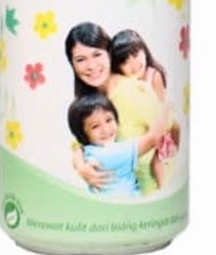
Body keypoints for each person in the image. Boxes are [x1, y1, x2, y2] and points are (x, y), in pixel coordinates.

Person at [65, 22, 180, 195]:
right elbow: (80, 141)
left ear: (109, 54)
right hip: (114, 197)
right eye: (81, 59)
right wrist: (81, 166)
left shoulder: (132, 92)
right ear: (72, 64)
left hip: (149, 194)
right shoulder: (89, 100)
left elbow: (173, 127)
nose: (91, 66)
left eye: (97, 54)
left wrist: (165, 182)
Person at [110, 29, 179, 187]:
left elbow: (161, 106)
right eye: (125, 62)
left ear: (144, 50)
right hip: (138, 134)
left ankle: (163, 189)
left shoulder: (153, 75)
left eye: (135, 55)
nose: (133, 65)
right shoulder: (125, 83)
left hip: (158, 130)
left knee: (156, 163)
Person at [67, 93, 169, 196]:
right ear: (82, 133)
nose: (105, 129)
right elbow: (153, 138)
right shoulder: (109, 154)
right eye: (95, 126)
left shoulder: (89, 152)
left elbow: (79, 149)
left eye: (108, 120)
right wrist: (169, 105)